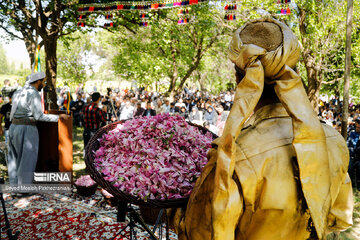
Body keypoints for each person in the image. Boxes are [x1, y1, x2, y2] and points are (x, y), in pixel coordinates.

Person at [169, 18, 353, 240]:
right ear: (294, 73)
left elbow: (202, 235)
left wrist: (170, 211)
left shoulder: (231, 158)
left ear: (240, 80)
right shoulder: (333, 141)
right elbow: (338, 218)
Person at [8, 72, 69, 185]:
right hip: (26, 128)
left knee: (14, 159)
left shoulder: (19, 91)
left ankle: (14, 186)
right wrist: (58, 117)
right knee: (27, 159)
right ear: (38, 81)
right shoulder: (33, 93)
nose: (44, 84)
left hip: (13, 127)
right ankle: (24, 189)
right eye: (44, 81)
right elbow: (39, 116)